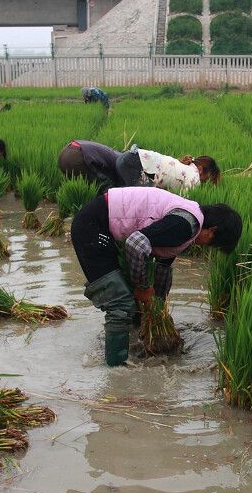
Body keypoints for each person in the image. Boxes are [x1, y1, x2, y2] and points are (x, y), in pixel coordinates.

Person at [71, 187, 242, 366]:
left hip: (103, 225)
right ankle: (116, 372)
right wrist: (143, 287)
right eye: (212, 243)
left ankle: (132, 348)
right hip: (93, 226)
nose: (207, 246)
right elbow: (135, 243)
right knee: (120, 304)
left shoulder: (187, 219)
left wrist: (157, 306)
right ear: (212, 230)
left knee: (133, 303)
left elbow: (163, 266)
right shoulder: (187, 224)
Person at [57, 140, 221, 193]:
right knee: (111, 194)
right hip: (78, 157)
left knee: (93, 193)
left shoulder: (180, 165)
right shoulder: (193, 177)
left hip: (67, 153)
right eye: (207, 179)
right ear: (200, 170)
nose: (204, 182)